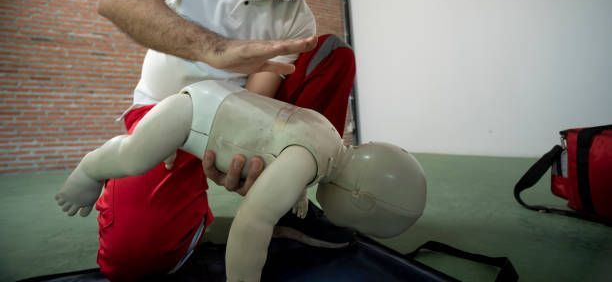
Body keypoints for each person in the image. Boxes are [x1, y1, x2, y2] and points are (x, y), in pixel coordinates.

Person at [84, 0, 360, 280]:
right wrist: (217, 50)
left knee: (331, 54)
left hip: (228, 126)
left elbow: (258, 102)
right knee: (132, 262)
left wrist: (258, 163)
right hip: (163, 115)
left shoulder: (297, 18)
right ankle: (135, 184)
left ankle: (286, 206)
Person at [56, 80, 427, 282]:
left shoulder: (328, 137)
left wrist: (295, 190)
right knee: (134, 156)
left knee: (142, 159)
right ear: (359, 198)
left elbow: (287, 134)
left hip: (214, 96)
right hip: (189, 114)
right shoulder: (306, 159)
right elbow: (252, 223)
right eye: (354, 220)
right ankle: (90, 168)